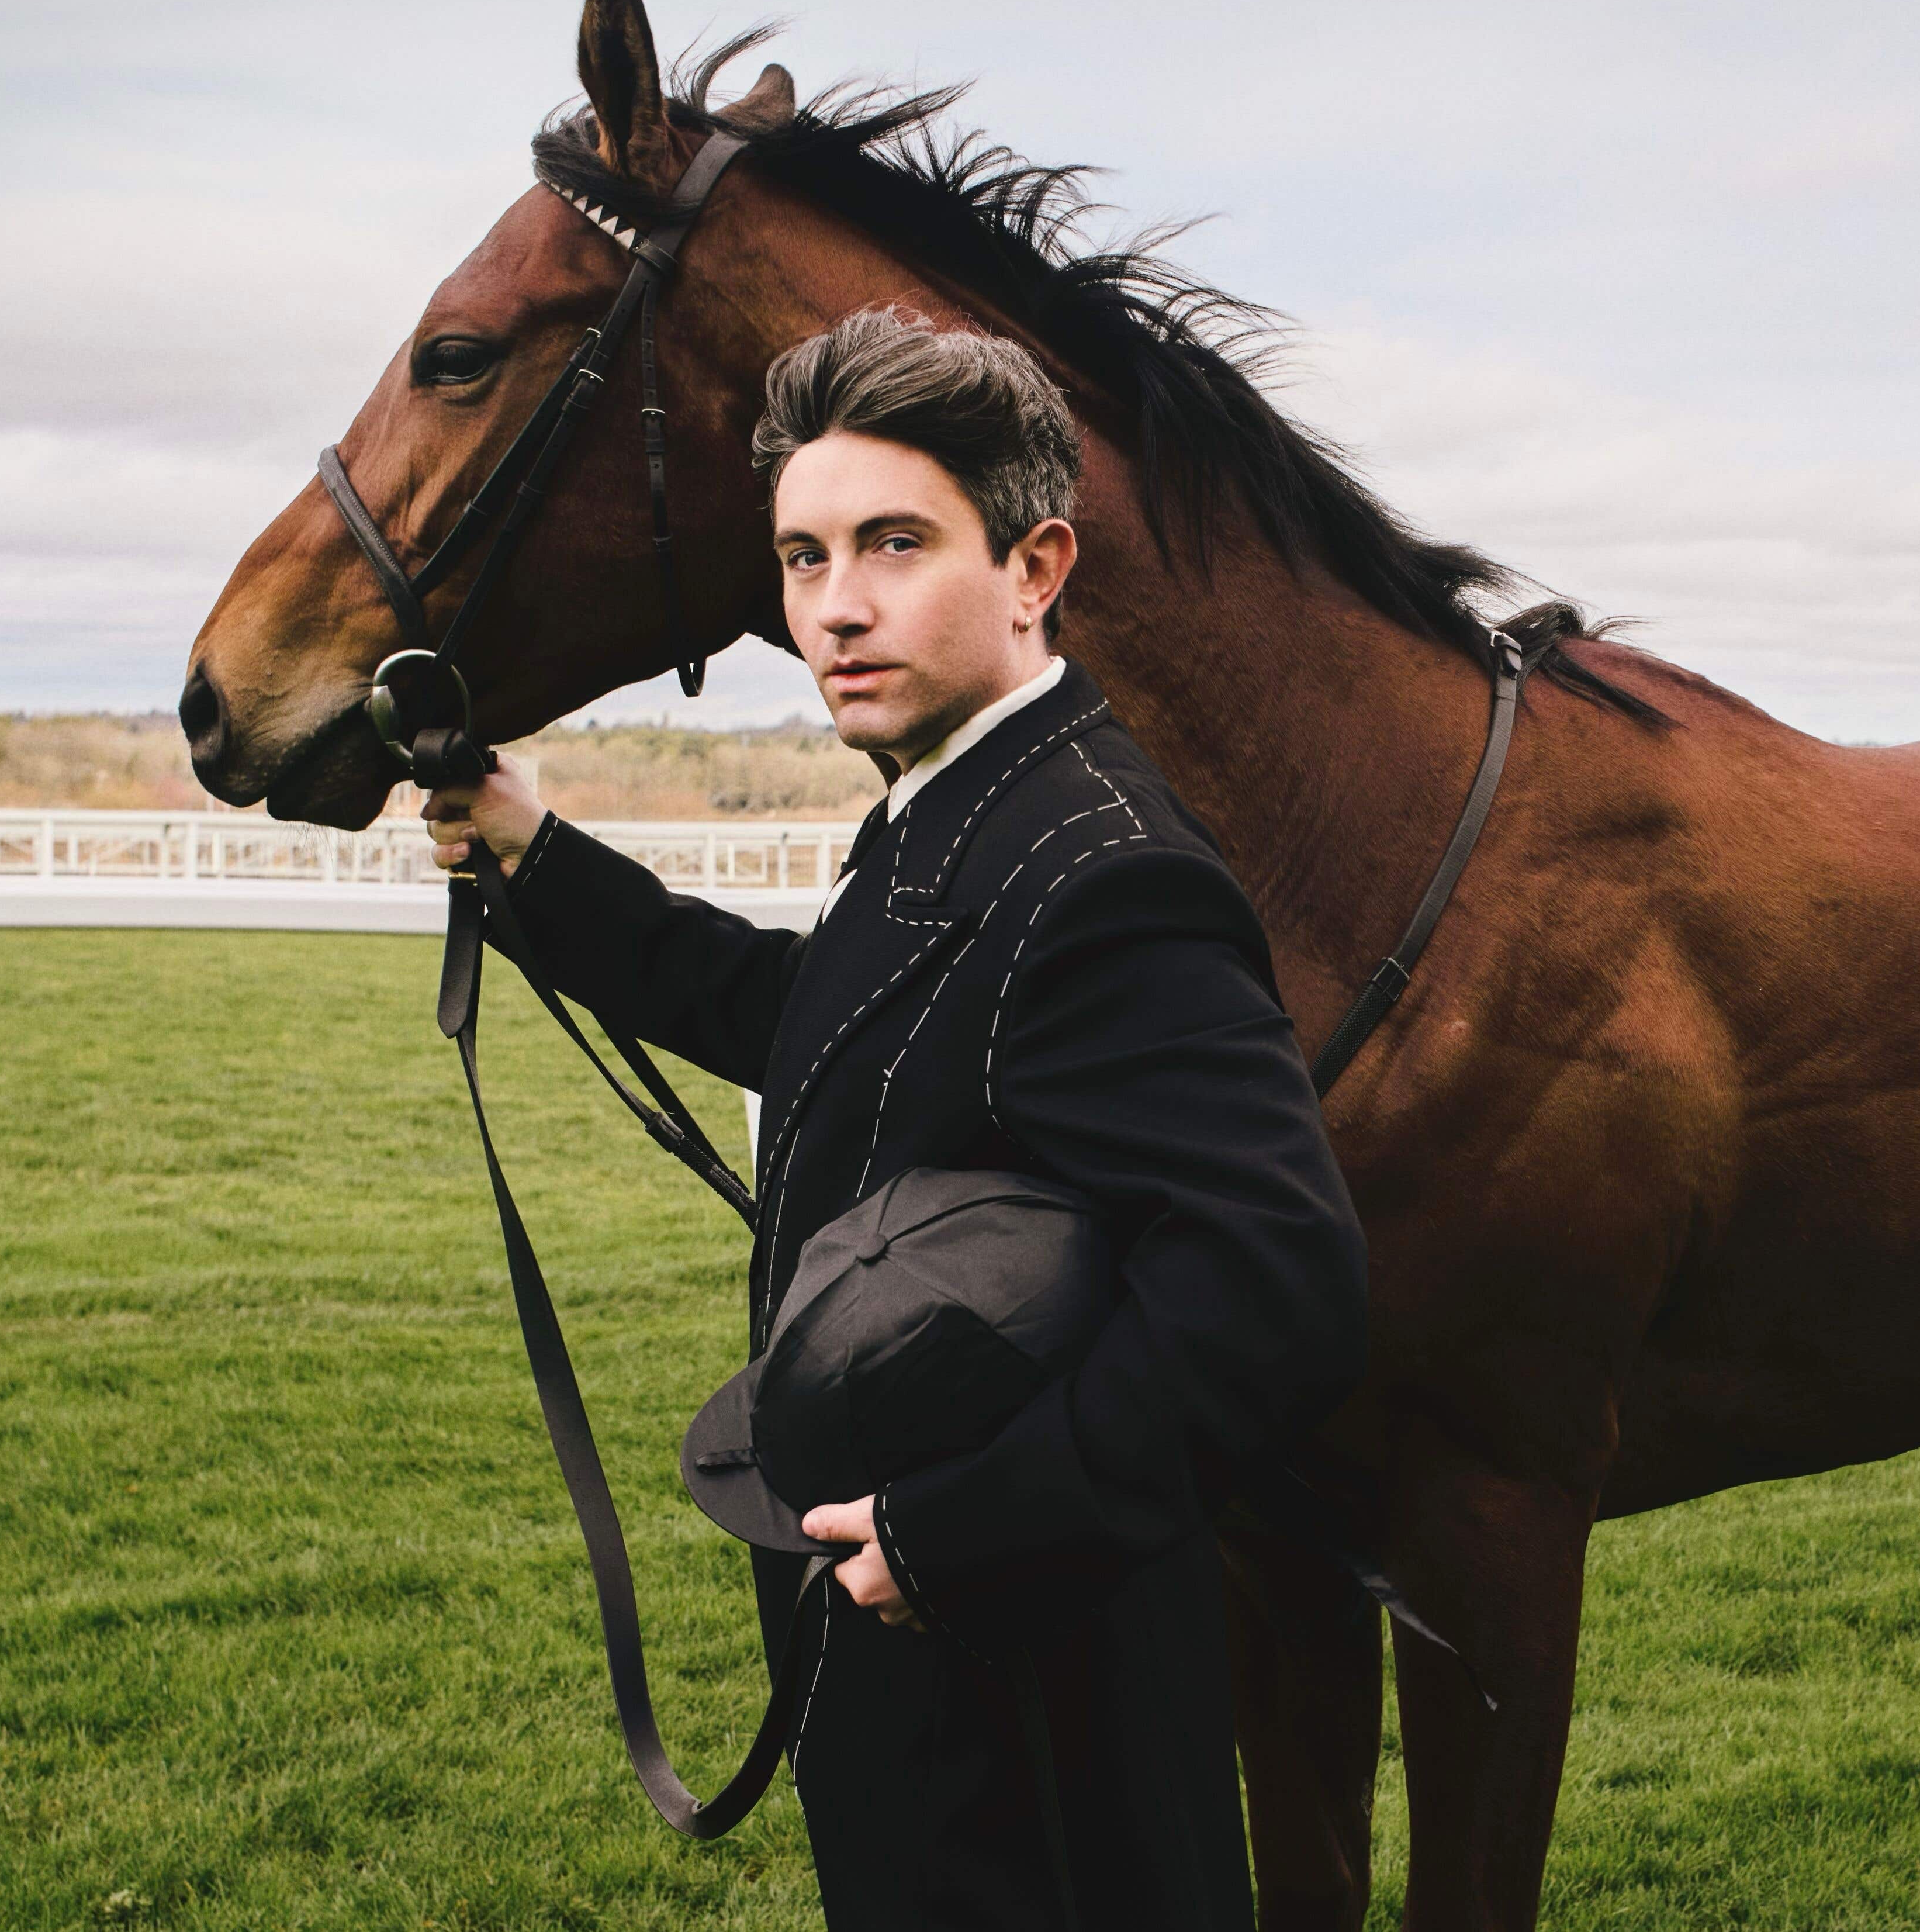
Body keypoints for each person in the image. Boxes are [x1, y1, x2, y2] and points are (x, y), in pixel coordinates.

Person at [422, 307, 1368, 1931]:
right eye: (799, 558)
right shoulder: (963, 807)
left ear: (1035, 564)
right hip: (939, 1658)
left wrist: (950, 1537)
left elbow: (1273, 1278)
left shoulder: (1102, 871)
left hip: (1029, 1690)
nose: (833, 608)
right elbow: (812, 1020)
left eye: (893, 544)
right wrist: (533, 852)